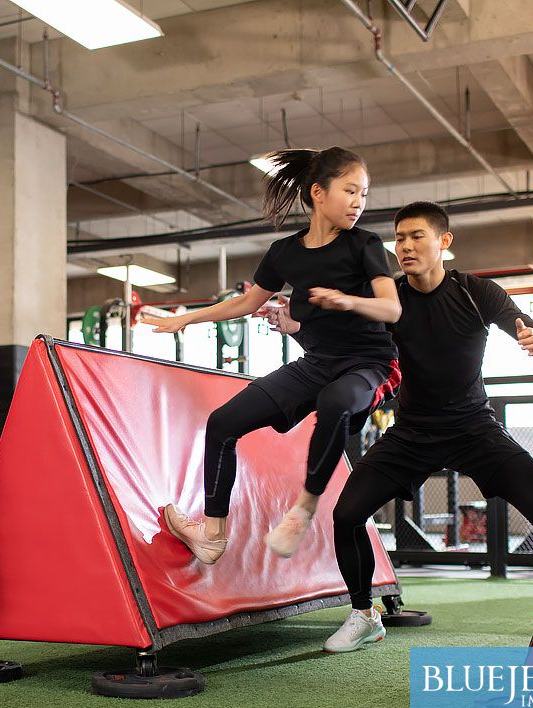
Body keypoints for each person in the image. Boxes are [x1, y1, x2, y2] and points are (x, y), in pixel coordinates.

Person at [267, 201, 533, 652]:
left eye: (416, 236)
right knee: (346, 514)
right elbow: (339, 348)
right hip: (412, 433)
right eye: (399, 238)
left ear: (444, 242)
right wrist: (295, 329)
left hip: (475, 428)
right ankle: (363, 614)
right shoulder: (388, 299)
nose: (405, 246)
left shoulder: (476, 292)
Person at [144, 147, 401, 564]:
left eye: (364, 194)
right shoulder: (285, 253)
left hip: (369, 364)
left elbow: (392, 309)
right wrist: (186, 320)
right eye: (350, 191)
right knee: (223, 423)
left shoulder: (365, 245)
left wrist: (347, 301)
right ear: (318, 193)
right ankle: (212, 533)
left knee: (335, 403)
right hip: (318, 363)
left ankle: (304, 506)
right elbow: (246, 304)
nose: (359, 202)